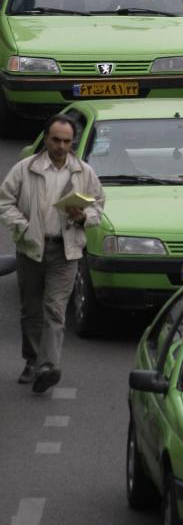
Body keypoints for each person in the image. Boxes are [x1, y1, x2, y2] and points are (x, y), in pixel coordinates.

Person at [0, 114, 105, 393]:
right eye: (56, 140)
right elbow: (5, 202)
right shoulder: (25, 168)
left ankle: (49, 366)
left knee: (55, 309)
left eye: (67, 142)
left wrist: (83, 217)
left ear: (73, 143)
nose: (61, 146)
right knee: (31, 309)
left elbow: (98, 208)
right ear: (46, 138)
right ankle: (32, 360)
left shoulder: (84, 173)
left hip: (65, 250)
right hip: (31, 249)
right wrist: (23, 228)